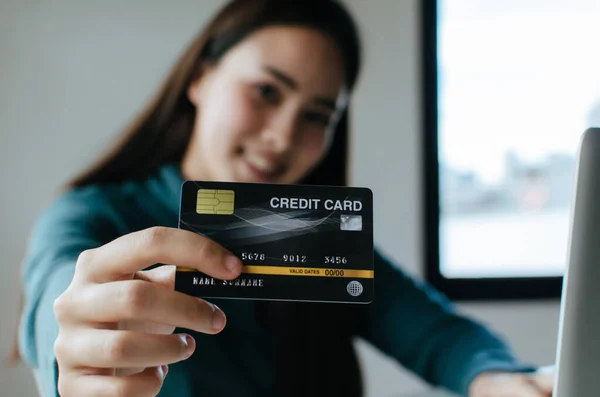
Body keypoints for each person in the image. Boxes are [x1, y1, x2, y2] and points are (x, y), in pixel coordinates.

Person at [15, 1, 555, 396]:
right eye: (266, 92)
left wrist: (498, 379)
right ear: (201, 78)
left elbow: (436, 332)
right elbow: (57, 293)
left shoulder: (313, 239)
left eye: (317, 116)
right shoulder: (90, 215)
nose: (281, 137)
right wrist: (78, 344)